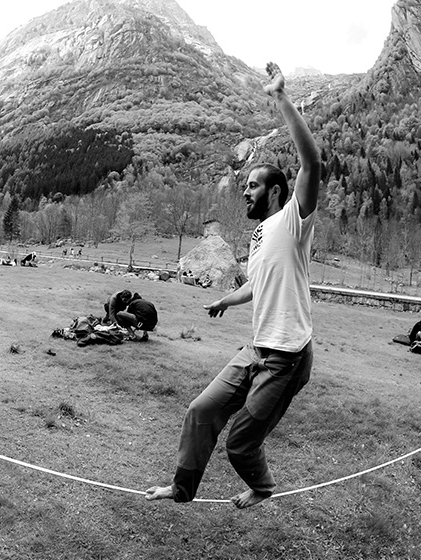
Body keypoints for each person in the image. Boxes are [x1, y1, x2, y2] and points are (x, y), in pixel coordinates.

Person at [146, 62, 322, 509]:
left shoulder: (294, 220)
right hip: (256, 348)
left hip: (287, 357)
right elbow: (259, 285)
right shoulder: (261, 235)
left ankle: (262, 487)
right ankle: (181, 489)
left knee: (241, 443)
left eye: (252, 186)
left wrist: (280, 98)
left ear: (277, 192)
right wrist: (226, 299)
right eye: (244, 185)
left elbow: (312, 162)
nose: (244, 192)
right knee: (202, 410)